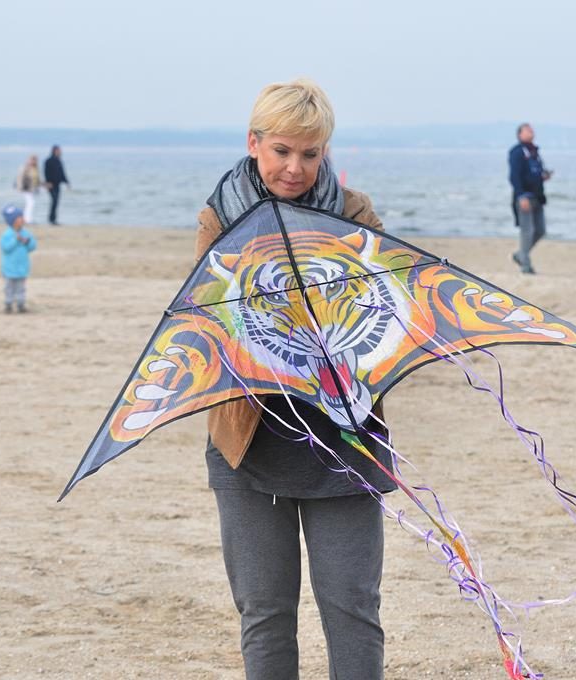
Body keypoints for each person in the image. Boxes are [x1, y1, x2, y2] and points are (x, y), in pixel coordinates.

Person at [196, 78, 392, 680]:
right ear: (254, 143)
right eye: (282, 150)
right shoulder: (219, 217)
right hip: (248, 444)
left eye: (310, 154)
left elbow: (384, 322)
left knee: (352, 611)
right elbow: (210, 326)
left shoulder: (354, 214)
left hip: (344, 443)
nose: (295, 168)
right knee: (265, 615)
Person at [508, 123, 552, 274]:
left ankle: (520, 255)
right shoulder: (517, 152)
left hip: (537, 196)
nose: (531, 132)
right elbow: (514, 176)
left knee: (540, 230)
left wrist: (543, 176)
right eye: (528, 130)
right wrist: (521, 196)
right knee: (527, 231)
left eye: (532, 130)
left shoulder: (534, 151)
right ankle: (525, 266)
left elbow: (534, 172)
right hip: (524, 197)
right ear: (520, 134)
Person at [0, 204, 37, 313]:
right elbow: (5, 248)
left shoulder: (25, 233)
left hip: (22, 267)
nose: (22, 219)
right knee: (9, 287)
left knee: (21, 287)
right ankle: (8, 304)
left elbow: (32, 247)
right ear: (13, 221)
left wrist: (27, 242)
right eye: (20, 217)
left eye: (22, 217)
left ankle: (21, 304)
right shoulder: (7, 234)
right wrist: (16, 240)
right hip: (9, 268)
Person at [43, 145, 69, 225]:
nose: (60, 152)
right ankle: (51, 219)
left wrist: (66, 182)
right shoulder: (48, 161)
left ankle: (53, 219)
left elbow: (62, 172)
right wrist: (47, 182)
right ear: (54, 151)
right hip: (50, 184)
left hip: (57, 184)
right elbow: (46, 172)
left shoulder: (59, 161)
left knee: (56, 201)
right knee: (54, 200)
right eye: (58, 151)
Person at [15, 155, 42, 224]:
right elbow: (20, 177)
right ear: (29, 160)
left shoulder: (36, 168)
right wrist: (20, 187)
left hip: (33, 189)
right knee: (31, 203)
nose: (34, 161)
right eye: (33, 160)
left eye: (35, 160)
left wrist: (40, 186)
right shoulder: (25, 167)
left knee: (30, 203)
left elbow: (37, 179)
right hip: (26, 188)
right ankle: (27, 220)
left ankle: (27, 219)